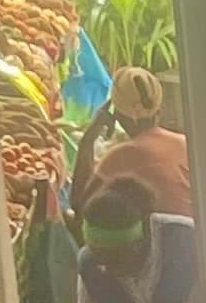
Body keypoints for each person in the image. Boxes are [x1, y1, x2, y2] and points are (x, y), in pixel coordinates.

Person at [76, 178, 206, 303]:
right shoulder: (93, 267)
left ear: (142, 239)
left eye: (117, 257)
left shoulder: (191, 243)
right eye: (101, 257)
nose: (109, 268)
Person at [70, 65, 194, 224]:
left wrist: (89, 137)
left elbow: (79, 205)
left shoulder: (121, 156)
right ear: (159, 107)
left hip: (160, 244)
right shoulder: (183, 143)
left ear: (117, 114)